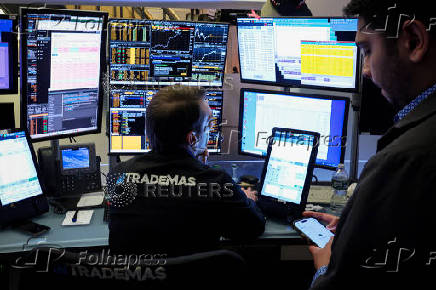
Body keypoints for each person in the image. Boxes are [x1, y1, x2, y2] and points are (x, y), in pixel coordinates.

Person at [304, 1, 436, 289]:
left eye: (367, 51)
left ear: (414, 41)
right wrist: (358, 224)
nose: (364, 70)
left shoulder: (403, 159)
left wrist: (326, 265)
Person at [108, 85, 265, 256]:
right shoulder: (216, 183)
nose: (209, 131)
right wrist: (244, 198)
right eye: (207, 127)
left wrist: (194, 164)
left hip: (140, 279)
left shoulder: (119, 175)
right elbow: (254, 228)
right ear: (192, 138)